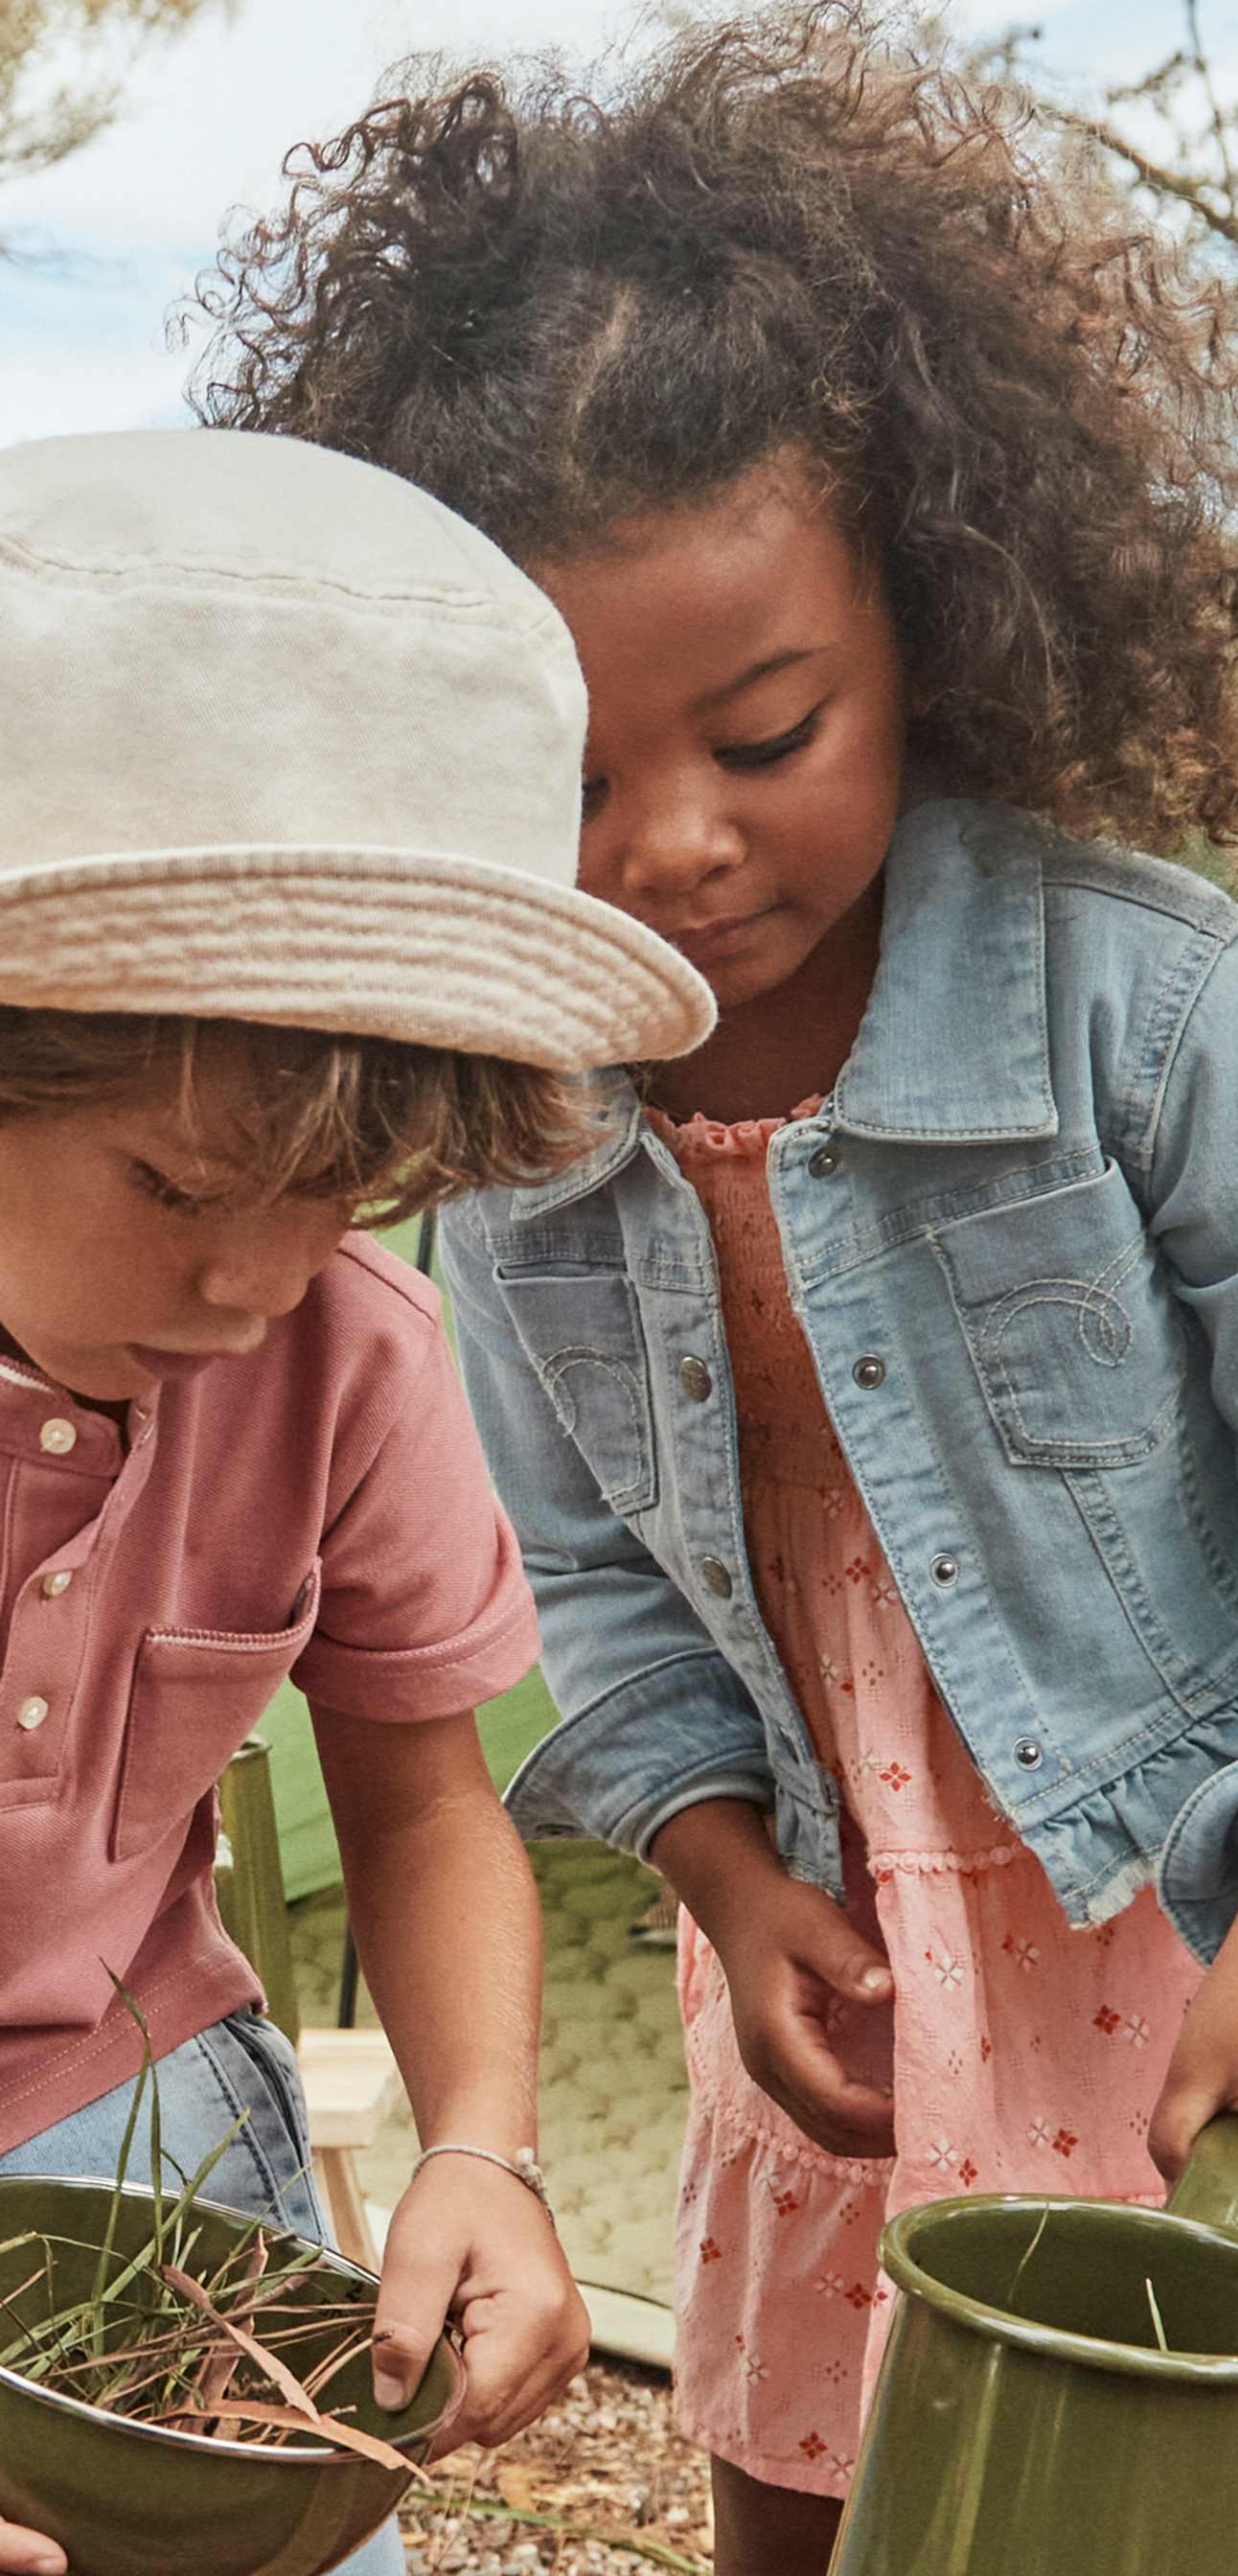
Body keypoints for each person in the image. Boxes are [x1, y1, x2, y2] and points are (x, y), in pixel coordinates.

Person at [195, 15, 1238, 2571]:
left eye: (767, 728)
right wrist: (711, 1867)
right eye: (566, 773)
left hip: (1209, 1928)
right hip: (848, 1936)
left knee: (1217, 2518)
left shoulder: (1174, 1021)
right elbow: (592, 1571)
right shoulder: (529, 1119)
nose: (672, 843)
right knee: (807, 2493)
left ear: (930, 614)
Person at [0, 426, 714, 2576]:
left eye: (331, 1206)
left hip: (139, 2118)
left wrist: (486, 2143)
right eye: (179, 1189)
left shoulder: (356, 1358)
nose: (242, 1285)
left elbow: (423, 1805)